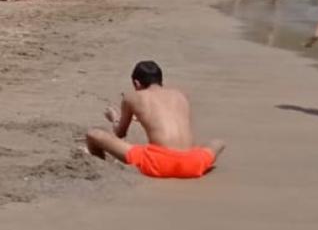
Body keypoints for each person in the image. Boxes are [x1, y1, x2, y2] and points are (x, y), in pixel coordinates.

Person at [84, 61, 224, 178]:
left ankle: (100, 167)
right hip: (193, 164)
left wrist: (114, 118)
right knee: (218, 142)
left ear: (137, 83)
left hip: (159, 163)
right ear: (160, 81)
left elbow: (120, 133)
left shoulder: (132, 97)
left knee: (93, 134)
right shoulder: (180, 95)